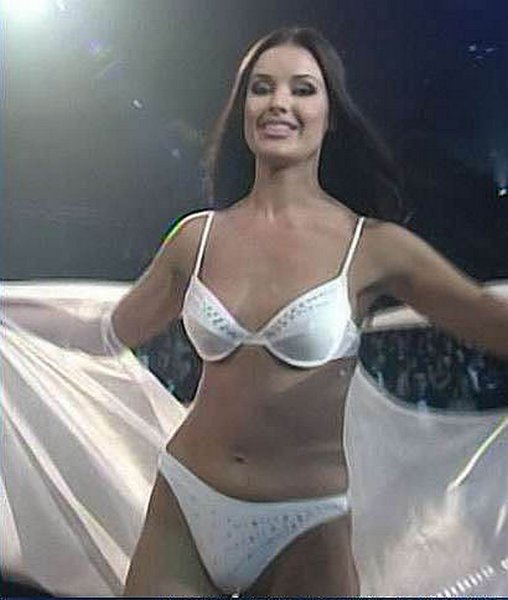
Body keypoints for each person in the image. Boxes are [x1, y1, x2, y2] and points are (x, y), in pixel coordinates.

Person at [103, 26, 508, 597]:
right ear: (243, 109)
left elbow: (490, 322)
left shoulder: (372, 246)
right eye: (261, 87)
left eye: (302, 89)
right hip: (185, 502)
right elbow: (105, 334)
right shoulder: (195, 238)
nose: (279, 103)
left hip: (305, 528)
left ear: (330, 113)